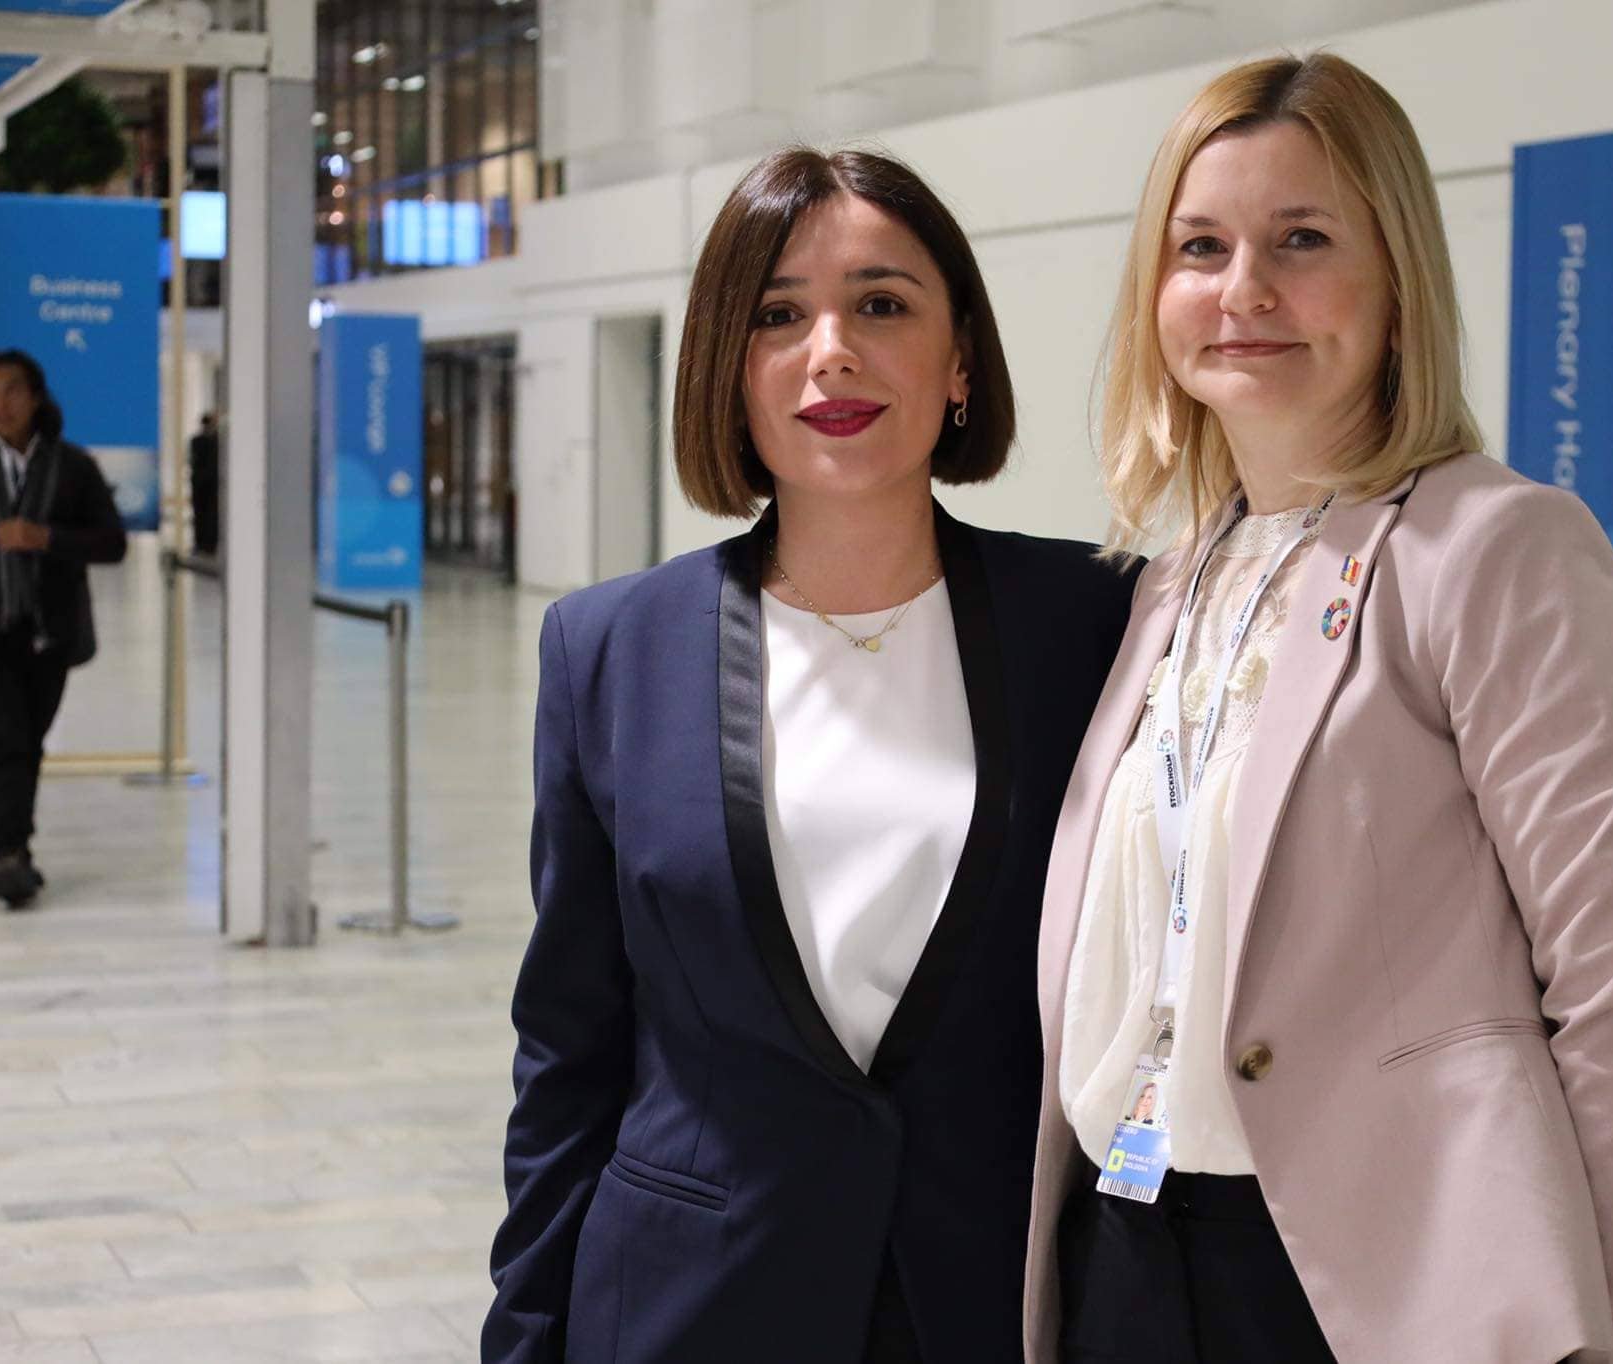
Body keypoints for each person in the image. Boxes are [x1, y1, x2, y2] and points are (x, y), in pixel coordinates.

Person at [1023, 54, 1613, 1364]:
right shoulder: (1171, 581)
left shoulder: (1495, 550)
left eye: (1301, 239)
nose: (1244, 289)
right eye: (1201, 246)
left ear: (1397, 283)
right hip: (1123, 1250)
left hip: (1368, 1279)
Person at [483, 147, 1137, 1363]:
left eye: (880, 304)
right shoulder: (610, 647)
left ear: (958, 359)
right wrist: (523, 1335)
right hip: (691, 1304)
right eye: (777, 314)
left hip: (991, 1298)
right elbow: (568, 1048)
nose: (830, 351)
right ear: (725, 367)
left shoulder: (1095, 622)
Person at [0, 350, 127, 909]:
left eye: (13, 390)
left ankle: (16, 849)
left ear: (36, 398)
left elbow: (111, 544)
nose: (1, 404)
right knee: (7, 740)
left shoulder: (73, 467)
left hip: (50, 633)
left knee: (27, 742)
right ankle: (7, 855)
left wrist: (46, 539)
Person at [188, 410, 219, 557]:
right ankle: (205, 544)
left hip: (203, 483)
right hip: (206, 484)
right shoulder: (211, 441)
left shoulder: (199, 441)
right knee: (204, 515)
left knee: (204, 515)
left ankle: (204, 544)